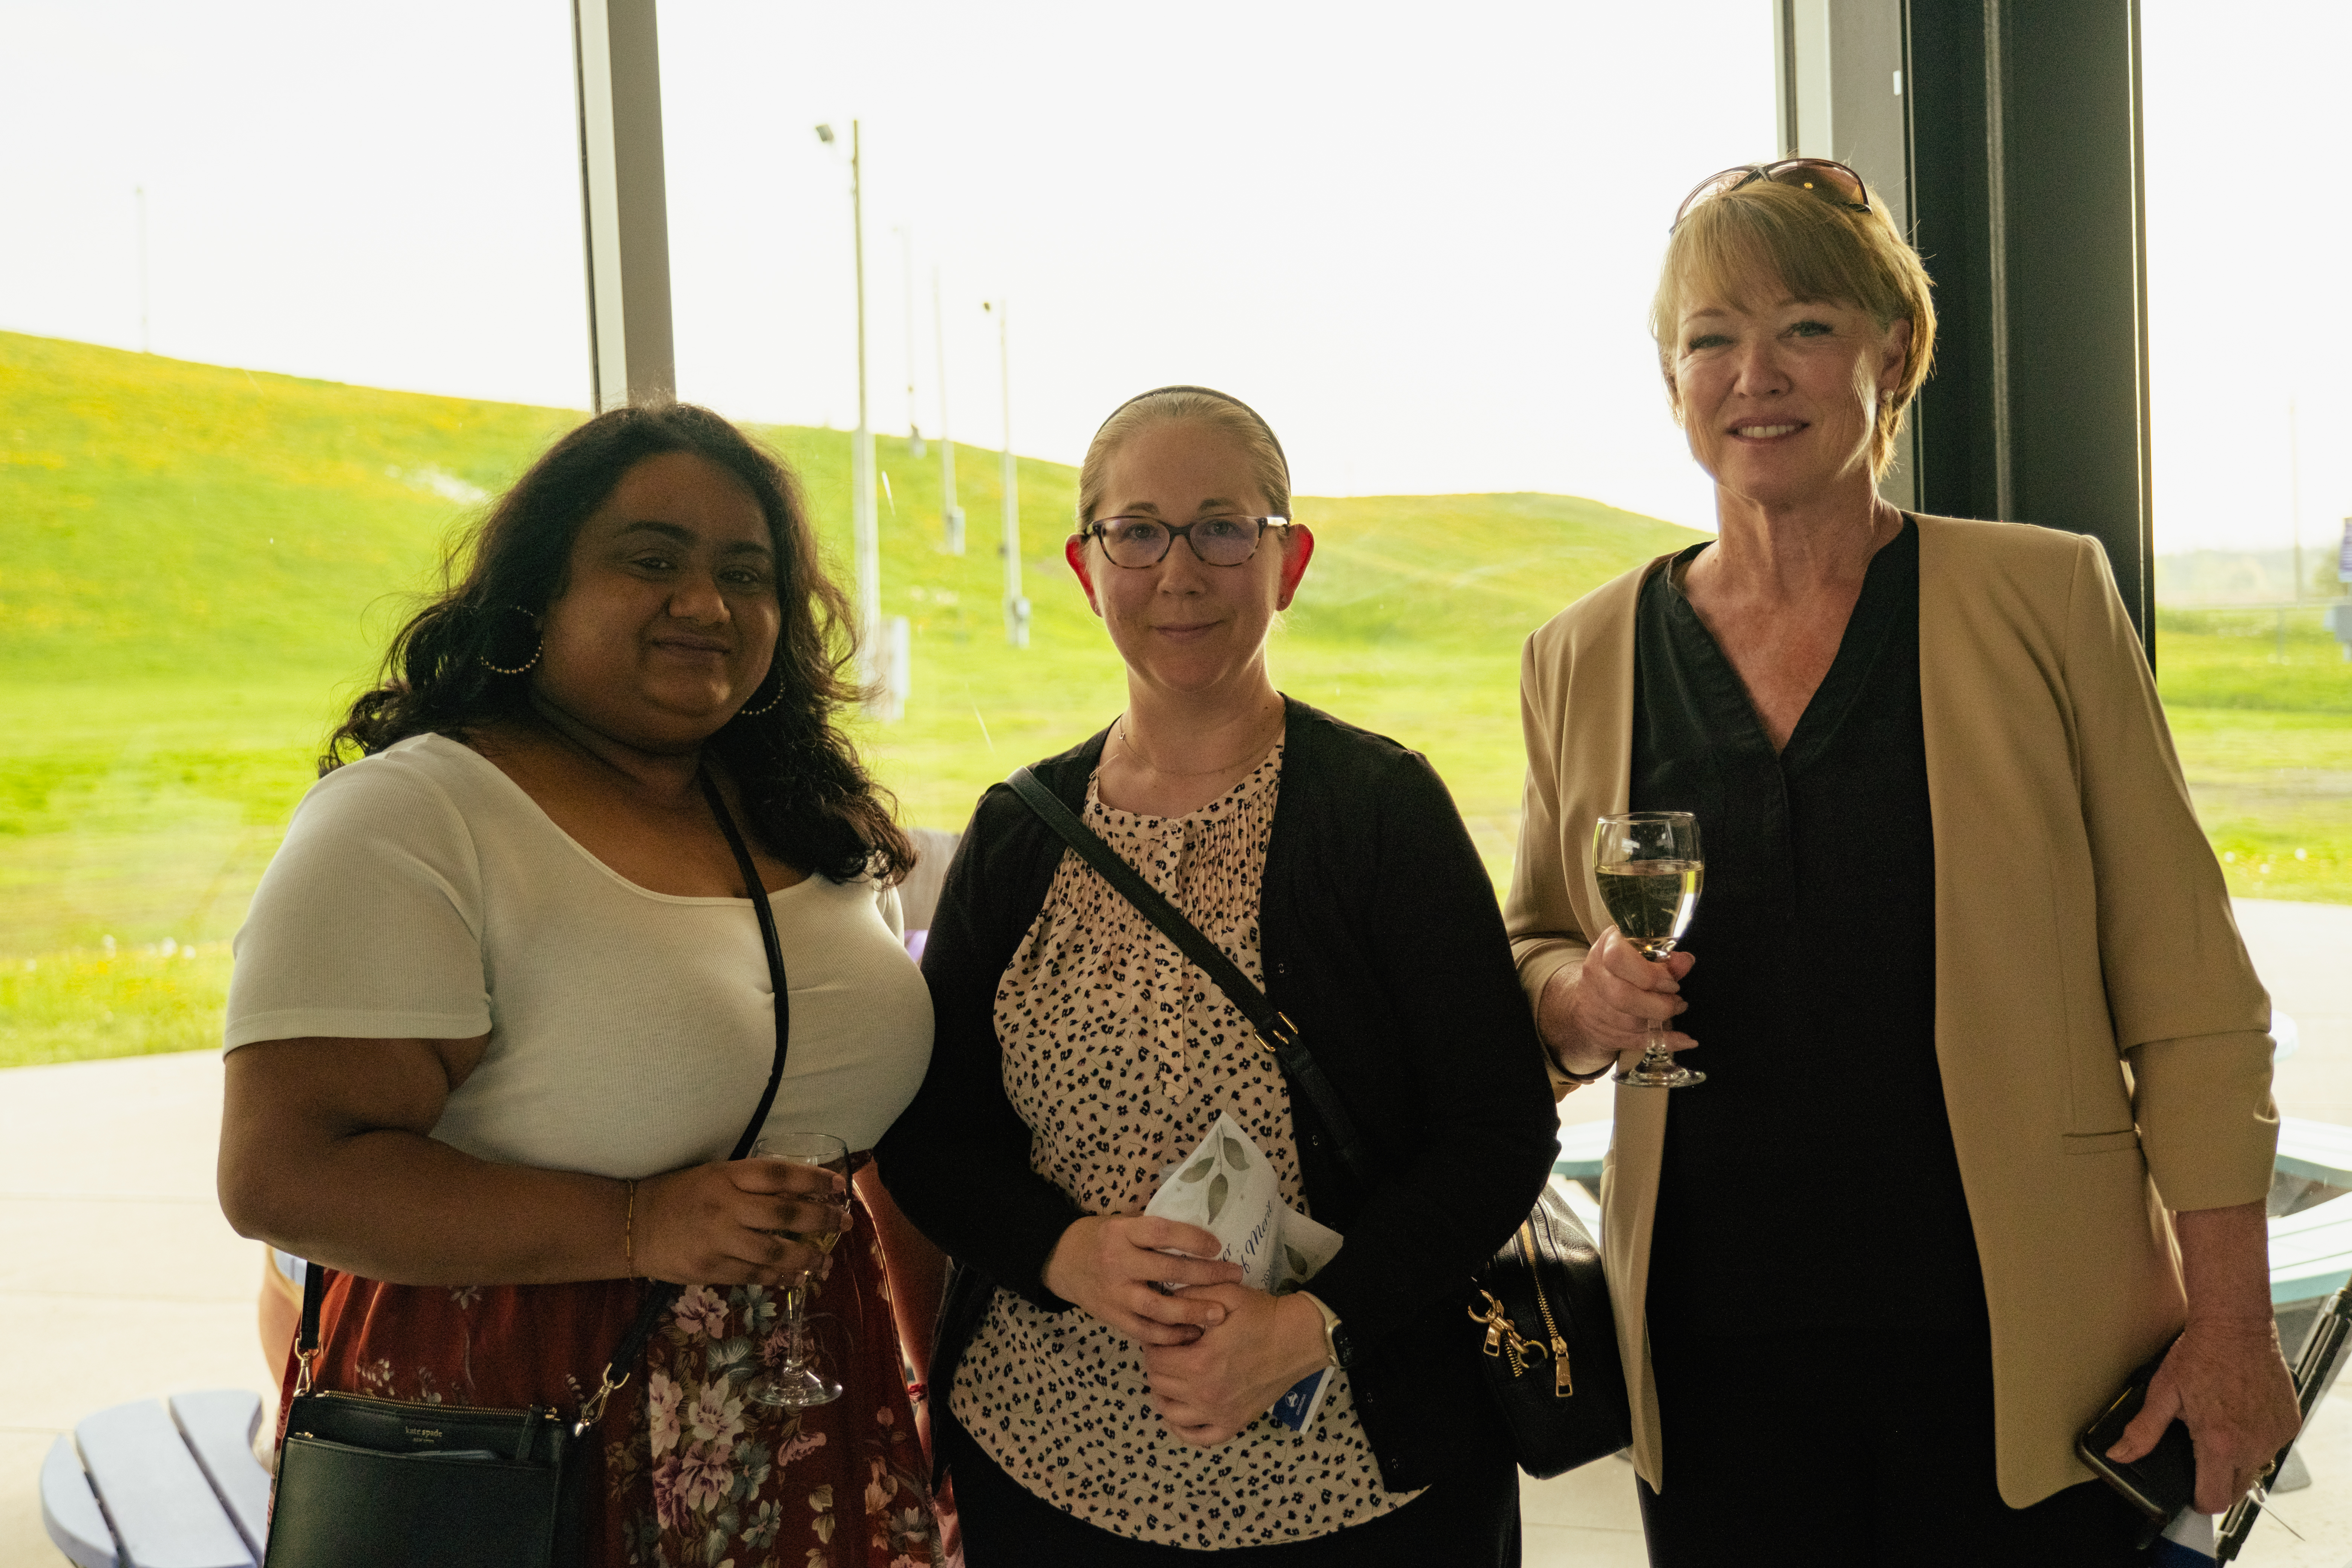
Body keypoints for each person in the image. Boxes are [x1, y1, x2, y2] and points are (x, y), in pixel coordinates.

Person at [1504, 159, 2301, 1566]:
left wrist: (2234, 1319)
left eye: (1805, 324)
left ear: (1894, 354)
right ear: (1672, 380)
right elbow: (1532, 962)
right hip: (1709, 1355)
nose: (1756, 373)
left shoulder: (2043, 598)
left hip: (2022, 1355)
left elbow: (2190, 990)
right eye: (1709, 337)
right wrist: (1582, 1000)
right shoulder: (1582, 652)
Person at [217, 403, 951, 1568]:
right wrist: (639, 1223)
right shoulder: (418, 819)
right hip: (521, 1428)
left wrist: (929, 1380)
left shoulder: (814, 828)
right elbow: (283, 1178)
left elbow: (872, 1154)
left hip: (805, 1406)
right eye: (651, 559)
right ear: (538, 593)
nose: (704, 603)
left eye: (745, 573)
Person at [875, 387, 1558, 1565]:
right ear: (1088, 571)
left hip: (1357, 1474)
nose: (1178, 570)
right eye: (1137, 531)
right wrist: (1067, 1253)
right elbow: (932, 1137)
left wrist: (1307, 1326)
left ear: (1285, 563)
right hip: (1051, 1469)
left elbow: (1498, 1132)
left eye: (1222, 528)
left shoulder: (1382, 812)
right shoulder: (1019, 834)